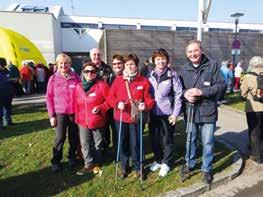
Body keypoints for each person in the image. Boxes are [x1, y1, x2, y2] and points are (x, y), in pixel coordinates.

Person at [180, 40, 226, 184]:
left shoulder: (213, 65)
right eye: (190, 52)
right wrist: (185, 94)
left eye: (195, 50)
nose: (193, 54)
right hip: (191, 111)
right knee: (190, 140)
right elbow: (178, 89)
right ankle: (189, 163)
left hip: (208, 111)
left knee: (208, 142)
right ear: (186, 54)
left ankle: (206, 169)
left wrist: (202, 92)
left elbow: (222, 86)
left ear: (201, 50)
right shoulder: (184, 69)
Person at [108, 53, 155, 178]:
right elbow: (110, 97)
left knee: (136, 144)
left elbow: (149, 99)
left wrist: (146, 105)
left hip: (136, 118)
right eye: (127, 64)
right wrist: (117, 104)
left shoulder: (144, 82)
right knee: (122, 142)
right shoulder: (118, 81)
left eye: (132, 64)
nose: (129, 67)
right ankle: (124, 166)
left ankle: (138, 166)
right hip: (121, 117)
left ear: (136, 66)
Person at [148, 48, 183, 177]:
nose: (160, 61)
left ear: (167, 60)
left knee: (167, 139)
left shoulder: (172, 74)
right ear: (154, 61)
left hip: (168, 113)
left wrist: (175, 114)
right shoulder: (150, 75)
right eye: (158, 59)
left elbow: (179, 94)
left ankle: (166, 163)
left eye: (163, 59)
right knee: (154, 139)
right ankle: (158, 160)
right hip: (153, 113)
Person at [74, 61, 111, 175]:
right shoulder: (78, 87)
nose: (89, 73)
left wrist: (101, 107)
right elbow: (75, 104)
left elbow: (110, 101)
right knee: (84, 143)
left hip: (97, 120)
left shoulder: (102, 85)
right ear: (83, 73)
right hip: (82, 121)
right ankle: (88, 164)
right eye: (87, 71)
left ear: (96, 73)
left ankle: (98, 163)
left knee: (98, 143)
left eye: (92, 71)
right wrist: (77, 119)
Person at [46, 53, 81, 173]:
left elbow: (80, 93)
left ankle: (72, 157)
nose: (63, 65)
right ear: (57, 64)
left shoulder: (76, 77)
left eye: (66, 63)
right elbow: (49, 98)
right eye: (61, 63)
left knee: (73, 137)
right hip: (60, 113)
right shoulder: (53, 79)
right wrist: (51, 116)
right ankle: (56, 161)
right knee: (60, 137)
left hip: (74, 112)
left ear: (70, 64)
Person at [89, 48, 114, 153]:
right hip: (90, 103)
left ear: (101, 55)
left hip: (105, 103)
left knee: (105, 126)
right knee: (92, 127)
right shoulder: (87, 68)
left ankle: (106, 146)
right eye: (94, 55)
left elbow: (112, 87)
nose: (96, 57)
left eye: (98, 55)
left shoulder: (108, 69)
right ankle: (93, 148)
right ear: (91, 56)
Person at [240, 56, 263, 164]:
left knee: (254, 131)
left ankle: (257, 156)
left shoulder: (248, 76)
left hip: (253, 107)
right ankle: (256, 148)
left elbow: (243, 93)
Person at [107, 54, 125, 154]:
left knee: (123, 132)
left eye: (119, 63)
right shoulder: (110, 76)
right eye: (114, 64)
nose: (116, 66)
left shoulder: (127, 75)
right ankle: (117, 150)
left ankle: (124, 151)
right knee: (115, 131)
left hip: (124, 109)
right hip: (112, 108)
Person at [0, 58, 13, 129]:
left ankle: (8, 122)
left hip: (8, 91)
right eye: (2, 65)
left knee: (8, 107)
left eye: (4, 65)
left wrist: (12, 80)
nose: (3, 67)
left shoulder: (6, 71)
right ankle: (1, 124)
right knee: (0, 109)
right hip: (1, 91)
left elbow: (8, 78)